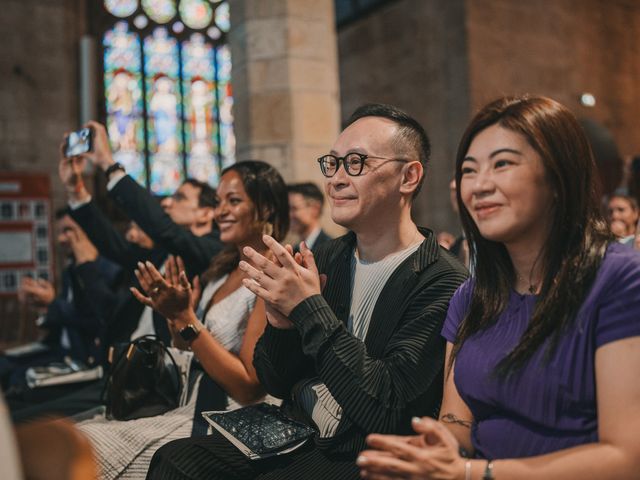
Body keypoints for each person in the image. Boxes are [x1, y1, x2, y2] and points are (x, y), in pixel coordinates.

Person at [146, 103, 468, 479]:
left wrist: (309, 308)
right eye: (332, 164)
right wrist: (281, 324)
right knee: (175, 461)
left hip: (360, 450)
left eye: (356, 163)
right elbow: (275, 381)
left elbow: (388, 409)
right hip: (294, 433)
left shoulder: (440, 278)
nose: (336, 179)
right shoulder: (327, 256)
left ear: (408, 176)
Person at [357, 96, 640, 479]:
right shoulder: (471, 296)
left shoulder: (620, 280)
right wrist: (427, 455)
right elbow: (457, 421)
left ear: (558, 177)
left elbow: (626, 458)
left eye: (502, 164)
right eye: (470, 171)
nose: (480, 185)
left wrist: (474, 472)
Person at [75, 160, 289, 479]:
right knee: (72, 435)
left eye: (234, 201)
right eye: (218, 203)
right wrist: (174, 319)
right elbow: (190, 349)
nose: (221, 212)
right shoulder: (223, 269)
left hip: (230, 415)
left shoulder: (273, 273)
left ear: (267, 207)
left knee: (87, 448)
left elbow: (248, 388)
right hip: (188, 397)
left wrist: (187, 319)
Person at [2, 210, 120, 394]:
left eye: (68, 231)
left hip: (84, 360)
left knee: (18, 381)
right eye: (59, 232)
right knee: (5, 364)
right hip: (63, 350)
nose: (61, 239)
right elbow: (67, 317)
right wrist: (42, 307)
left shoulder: (109, 270)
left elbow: (98, 321)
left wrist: (52, 303)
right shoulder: (70, 271)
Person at [287, 182, 332, 252]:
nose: (289, 215)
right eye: (287, 209)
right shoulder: (294, 251)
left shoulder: (331, 249)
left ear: (315, 209)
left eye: (294, 208)